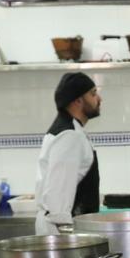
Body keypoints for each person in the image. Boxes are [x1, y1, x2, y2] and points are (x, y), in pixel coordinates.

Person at [35, 72, 102, 235]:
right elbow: (58, 198)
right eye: (93, 94)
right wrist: (69, 242)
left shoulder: (69, 130)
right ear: (78, 100)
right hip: (60, 234)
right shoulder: (69, 136)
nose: (99, 99)